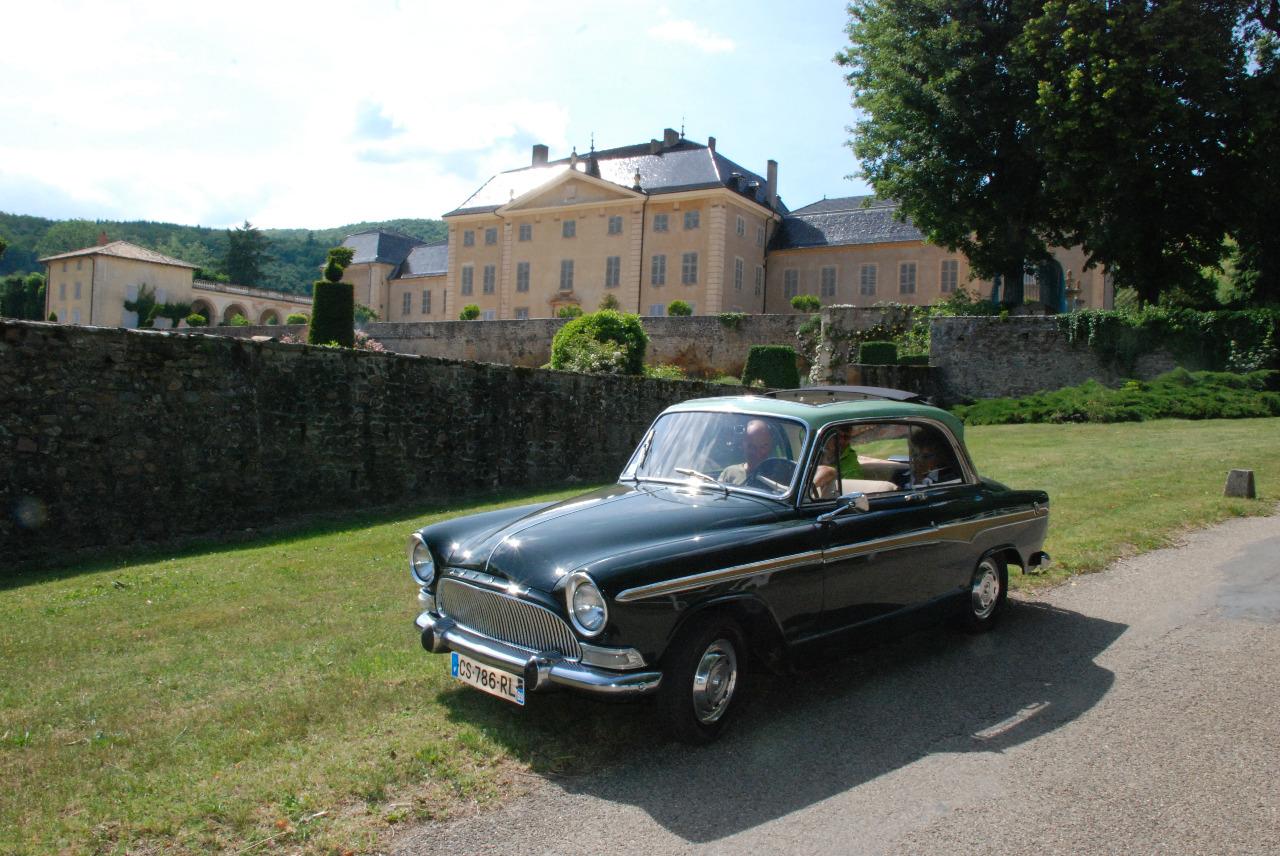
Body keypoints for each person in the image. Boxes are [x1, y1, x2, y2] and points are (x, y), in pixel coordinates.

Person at [719, 418, 789, 489]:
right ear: (743, 445)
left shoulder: (781, 475)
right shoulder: (730, 473)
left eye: (763, 446)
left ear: (771, 446)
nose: (757, 453)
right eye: (751, 446)